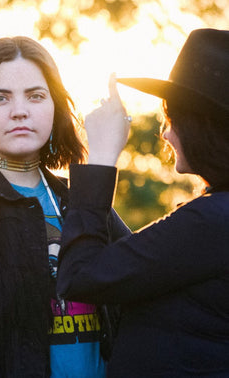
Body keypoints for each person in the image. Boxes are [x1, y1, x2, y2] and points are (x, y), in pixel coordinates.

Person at [0, 36, 129, 377]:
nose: (19, 110)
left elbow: (139, 292)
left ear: (55, 108)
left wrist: (103, 159)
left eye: (36, 96)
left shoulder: (80, 200)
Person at [57, 28, 229, 377]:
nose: (165, 132)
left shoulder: (214, 220)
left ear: (202, 126)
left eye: (171, 118)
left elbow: (81, 276)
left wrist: (102, 158)